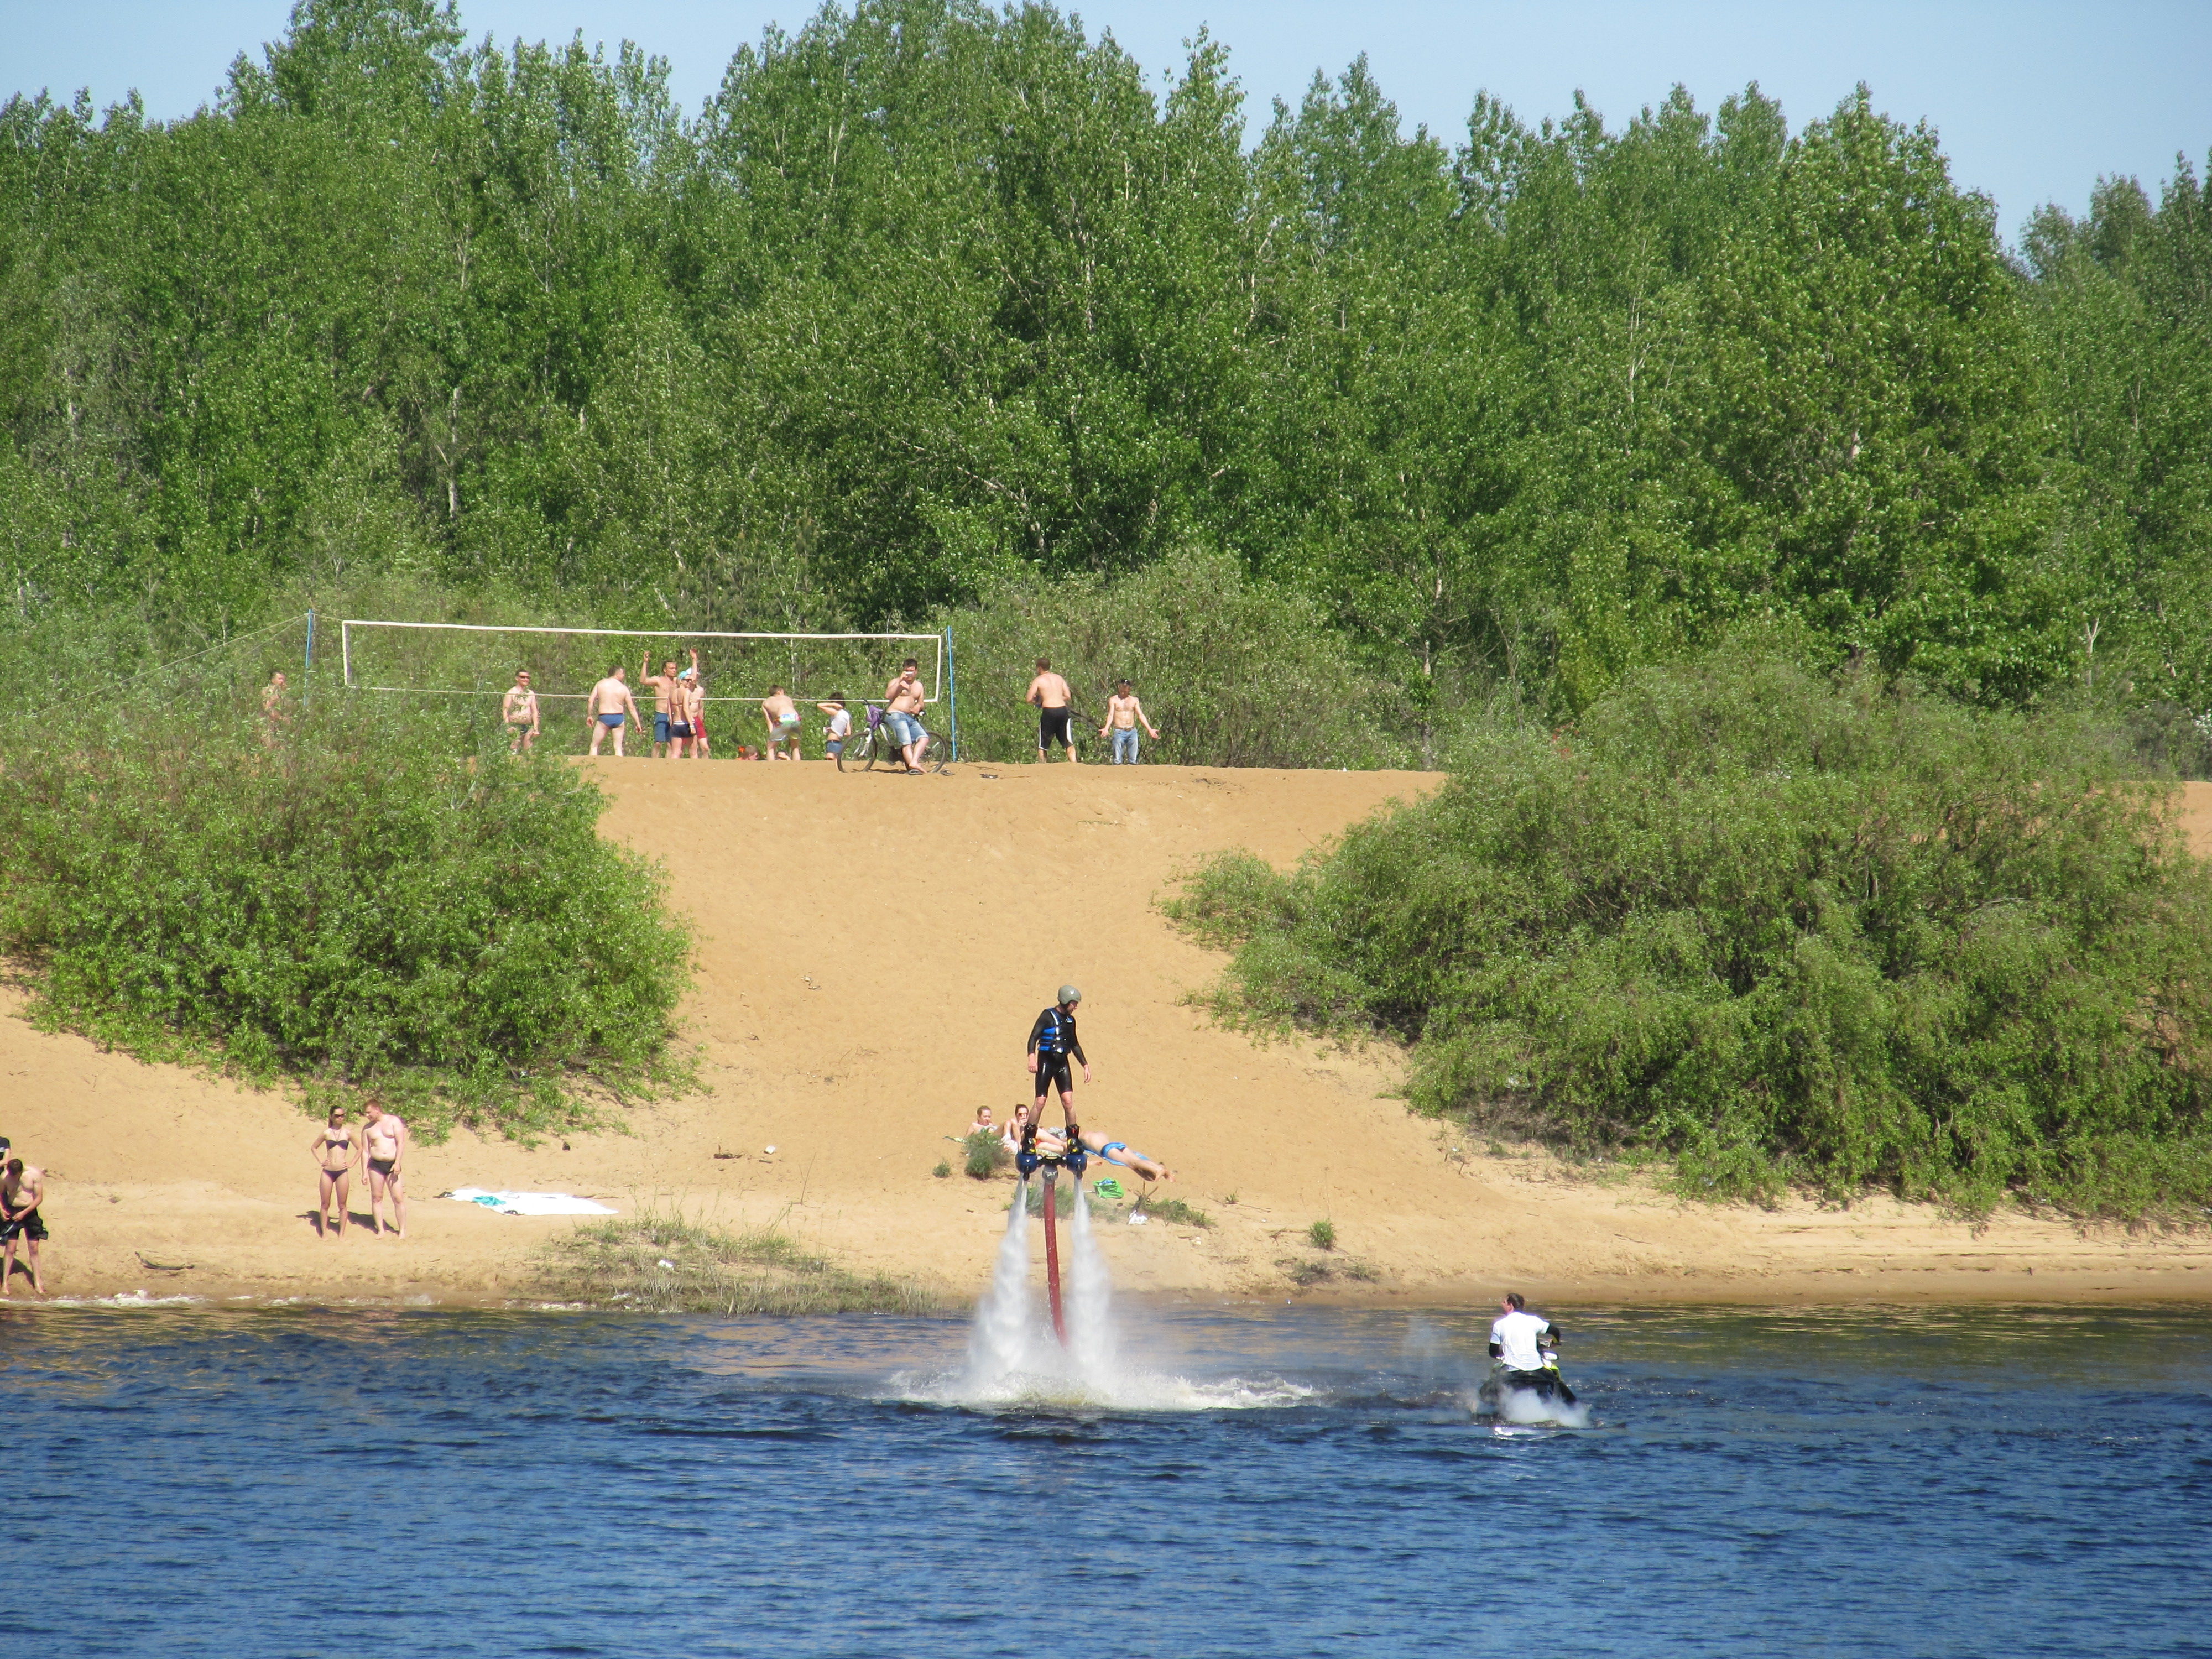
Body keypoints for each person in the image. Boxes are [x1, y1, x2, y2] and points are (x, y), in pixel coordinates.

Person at [1024, 985, 1091, 1141]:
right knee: (1040, 1101)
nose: (1076, 1007)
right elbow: (1033, 1037)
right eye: (1074, 1003)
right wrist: (1032, 1057)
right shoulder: (1047, 1016)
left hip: (1062, 1063)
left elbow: (1074, 1044)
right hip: (1046, 1061)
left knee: (1068, 1101)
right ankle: (1029, 1138)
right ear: (1065, 1001)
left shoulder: (1070, 1021)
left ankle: (1073, 1138)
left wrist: (1085, 1065)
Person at [1488, 1292, 1573, 1402]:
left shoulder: (1499, 1324)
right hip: (1537, 1370)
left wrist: (1503, 1351)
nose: (1502, 1304)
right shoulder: (1534, 1320)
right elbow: (1556, 1331)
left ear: (1511, 1306)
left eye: (1504, 1302)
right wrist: (1554, 1343)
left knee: (1494, 1381)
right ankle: (1571, 1407)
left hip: (1513, 1372)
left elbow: (1493, 1352)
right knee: (1556, 1382)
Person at [1034, 1124, 1173, 1183]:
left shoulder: (1076, 1139)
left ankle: (1158, 1170)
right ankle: (1160, 1170)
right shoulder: (1089, 1134)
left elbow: (1065, 1145)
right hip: (1115, 1144)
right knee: (1136, 1162)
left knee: (1132, 1163)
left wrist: (1050, 1142)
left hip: (1106, 1149)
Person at [361, 1099, 408, 1239]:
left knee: (398, 1198)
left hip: (392, 1164)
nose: (367, 1115)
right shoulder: (367, 1128)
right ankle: (381, 1229)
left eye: (369, 1112)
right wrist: (364, 1172)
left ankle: (402, 1230)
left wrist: (397, 1162)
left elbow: (400, 1142)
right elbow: (365, 1151)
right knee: (377, 1197)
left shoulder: (393, 1121)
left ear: (377, 1109)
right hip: (375, 1165)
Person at [1, 1152, 47, 1296]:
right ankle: (5, 1283)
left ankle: (38, 1282)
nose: (13, 1178)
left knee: (34, 1248)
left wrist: (25, 1212)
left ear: (21, 1171)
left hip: (29, 1212)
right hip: (13, 1211)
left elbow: (39, 1198)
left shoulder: (33, 1175)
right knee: (10, 1248)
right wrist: (2, 1209)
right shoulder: (4, 1177)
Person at [310, 1108, 358, 1240]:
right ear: (332, 1116)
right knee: (325, 1204)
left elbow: (360, 1148)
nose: (341, 1118)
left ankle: (341, 1233)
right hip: (328, 1171)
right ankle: (324, 1232)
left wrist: (352, 1163)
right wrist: (321, 1161)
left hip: (342, 1172)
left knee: (342, 1204)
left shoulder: (348, 1133)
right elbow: (314, 1147)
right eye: (337, 1116)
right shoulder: (327, 1133)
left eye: (343, 1115)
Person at [1026, 658, 1078, 764]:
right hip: (1062, 711)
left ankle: (1042, 765)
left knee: (1043, 745)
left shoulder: (1038, 680)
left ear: (1039, 668)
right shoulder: (1059, 678)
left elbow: (1029, 699)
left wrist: (1039, 700)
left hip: (1049, 712)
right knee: (1068, 742)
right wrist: (1056, 697)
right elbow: (1068, 696)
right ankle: (1075, 764)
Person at [884, 658, 929, 773]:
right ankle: (913, 768)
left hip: (909, 717)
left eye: (911, 671)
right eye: (906, 671)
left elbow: (921, 703)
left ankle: (913, 762)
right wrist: (900, 681)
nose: (909, 674)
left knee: (924, 738)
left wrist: (918, 706)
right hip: (895, 714)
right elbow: (888, 695)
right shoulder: (896, 682)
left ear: (916, 671)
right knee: (907, 742)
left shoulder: (919, 686)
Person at [1100, 679, 1159, 765]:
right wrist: (1106, 728)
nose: (1123, 692)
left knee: (1133, 761)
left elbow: (1140, 715)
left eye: (1125, 690)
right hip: (1119, 731)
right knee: (1117, 761)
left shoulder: (1134, 700)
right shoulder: (1113, 700)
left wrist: (1150, 729)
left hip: (1132, 731)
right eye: (1121, 690)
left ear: (1129, 689)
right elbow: (1111, 715)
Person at [586, 666, 639, 757]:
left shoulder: (600, 684)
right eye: (623, 674)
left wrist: (589, 715)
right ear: (617, 674)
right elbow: (632, 708)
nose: (624, 676)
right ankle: (619, 766)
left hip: (604, 717)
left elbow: (591, 700)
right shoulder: (624, 688)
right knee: (618, 748)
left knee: (594, 746)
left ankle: (592, 765)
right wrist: (638, 723)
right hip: (618, 718)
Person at [641, 653, 686, 759]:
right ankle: (654, 762)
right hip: (661, 714)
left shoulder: (677, 682)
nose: (674, 670)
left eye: (675, 668)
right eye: (671, 668)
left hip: (674, 715)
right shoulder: (658, 680)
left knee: (670, 744)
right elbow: (643, 680)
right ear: (665, 670)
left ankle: (667, 764)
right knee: (658, 742)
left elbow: (691, 678)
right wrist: (645, 663)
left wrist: (694, 660)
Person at [502, 669, 541, 755]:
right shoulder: (511, 693)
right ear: (517, 678)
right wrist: (508, 726)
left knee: (528, 751)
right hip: (515, 725)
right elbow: (505, 710)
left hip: (528, 725)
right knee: (514, 749)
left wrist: (536, 728)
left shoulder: (531, 693)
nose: (526, 679)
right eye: (523, 677)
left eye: (528, 678)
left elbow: (535, 712)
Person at [761, 685, 802, 760]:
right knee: (795, 747)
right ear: (779, 692)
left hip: (782, 718)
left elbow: (769, 719)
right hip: (795, 718)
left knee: (770, 747)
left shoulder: (766, 702)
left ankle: (770, 766)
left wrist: (771, 733)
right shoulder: (788, 699)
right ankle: (797, 765)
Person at [685, 650, 712, 759]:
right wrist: (694, 659)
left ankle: (706, 764)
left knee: (705, 748)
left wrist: (701, 720)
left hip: (697, 720)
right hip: (687, 720)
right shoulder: (686, 689)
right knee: (692, 749)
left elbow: (701, 707)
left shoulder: (700, 690)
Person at [260, 669, 289, 749]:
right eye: (280, 679)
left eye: (283, 679)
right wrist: (282, 718)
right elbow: (268, 708)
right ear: (273, 680)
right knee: (269, 747)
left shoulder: (283, 692)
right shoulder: (269, 691)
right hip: (268, 724)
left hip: (279, 725)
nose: (282, 681)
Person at [819, 697, 852, 764]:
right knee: (836, 763)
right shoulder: (846, 715)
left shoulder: (836, 712)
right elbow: (848, 733)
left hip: (832, 742)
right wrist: (836, 730)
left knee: (829, 762)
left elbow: (819, 705)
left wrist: (833, 704)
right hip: (839, 743)